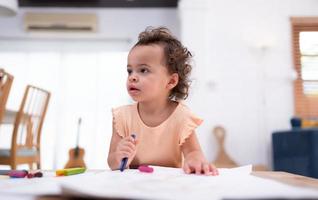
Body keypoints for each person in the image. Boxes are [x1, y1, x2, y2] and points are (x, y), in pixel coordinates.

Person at [107, 27, 218, 175]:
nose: (132, 77)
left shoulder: (182, 116)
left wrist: (195, 160)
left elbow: (193, 153)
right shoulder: (122, 117)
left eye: (143, 70)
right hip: (133, 188)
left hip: (168, 189)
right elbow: (112, 162)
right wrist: (119, 156)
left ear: (171, 81)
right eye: (130, 70)